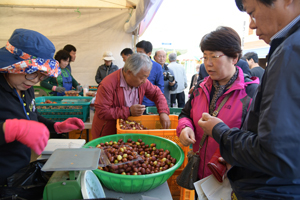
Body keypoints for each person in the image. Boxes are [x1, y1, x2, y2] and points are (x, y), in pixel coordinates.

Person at [198, 0, 300, 199]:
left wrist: (221, 133)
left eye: (252, 13)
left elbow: (277, 152)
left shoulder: (289, 52)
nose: (252, 24)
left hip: (270, 189)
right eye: (205, 57)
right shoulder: (201, 87)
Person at [0, 29, 85, 185]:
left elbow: (32, 116)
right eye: (31, 73)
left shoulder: (26, 87)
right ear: (12, 66)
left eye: (42, 75)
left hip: (18, 174)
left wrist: (57, 126)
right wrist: (9, 129)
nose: (35, 80)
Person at [177, 26, 259, 185]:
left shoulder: (252, 93)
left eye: (214, 56)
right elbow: (185, 114)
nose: (208, 63)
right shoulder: (200, 88)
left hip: (229, 179)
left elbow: (257, 142)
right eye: (205, 57)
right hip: (199, 174)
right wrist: (185, 127)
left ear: (234, 57)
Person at [91, 53, 170, 138]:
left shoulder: (143, 82)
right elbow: (102, 111)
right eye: (142, 78)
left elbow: (157, 93)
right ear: (129, 73)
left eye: (146, 77)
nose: (144, 81)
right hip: (108, 134)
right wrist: (129, 111)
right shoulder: (107, 84)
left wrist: (163, 112)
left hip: (128, 132)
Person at [136, 40, 164, 107]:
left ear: (149, 53)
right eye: (137, 52)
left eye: (140, 52)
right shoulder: (134, 65)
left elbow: (160, 87)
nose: (138, 55)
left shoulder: (157, 67)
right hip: (135, 103)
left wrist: (158, 104)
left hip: (149, 104)